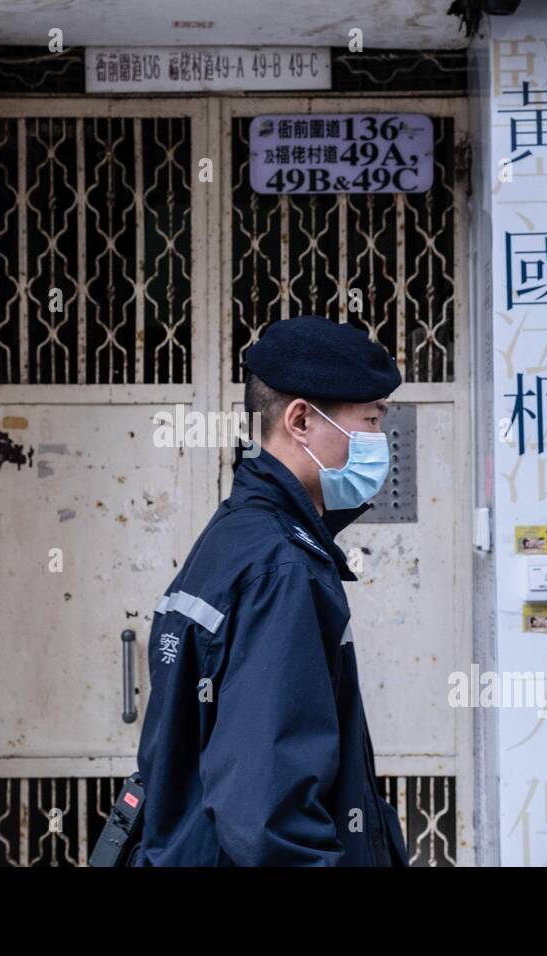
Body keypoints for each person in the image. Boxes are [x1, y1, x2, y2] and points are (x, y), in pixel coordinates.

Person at [131, 314, 410, 866]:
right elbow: (268, 815)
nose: (380, 441)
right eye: (371, 421)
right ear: (301, 420)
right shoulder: (282, 567)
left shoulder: (234, 535)